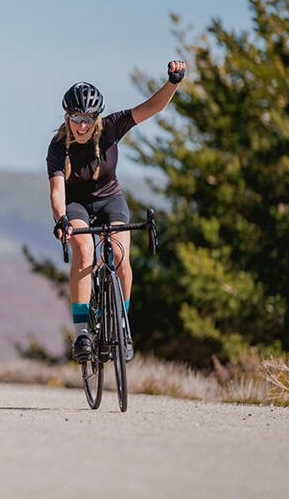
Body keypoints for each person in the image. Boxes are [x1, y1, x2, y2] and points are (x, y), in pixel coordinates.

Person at [47, 61, 187, 362]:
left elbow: (152, 107)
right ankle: (82, 332)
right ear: (68, 117)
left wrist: (173, 82)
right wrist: (61, 218)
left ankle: (122, 324)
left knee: (121, 255)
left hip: (110, 199)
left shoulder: (111, 127)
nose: (82, 126)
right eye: (76, 118)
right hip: (76, 204)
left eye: (87, 119)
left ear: (96, 117)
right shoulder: (59, 146)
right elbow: (57, 189)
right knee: (85, 252)